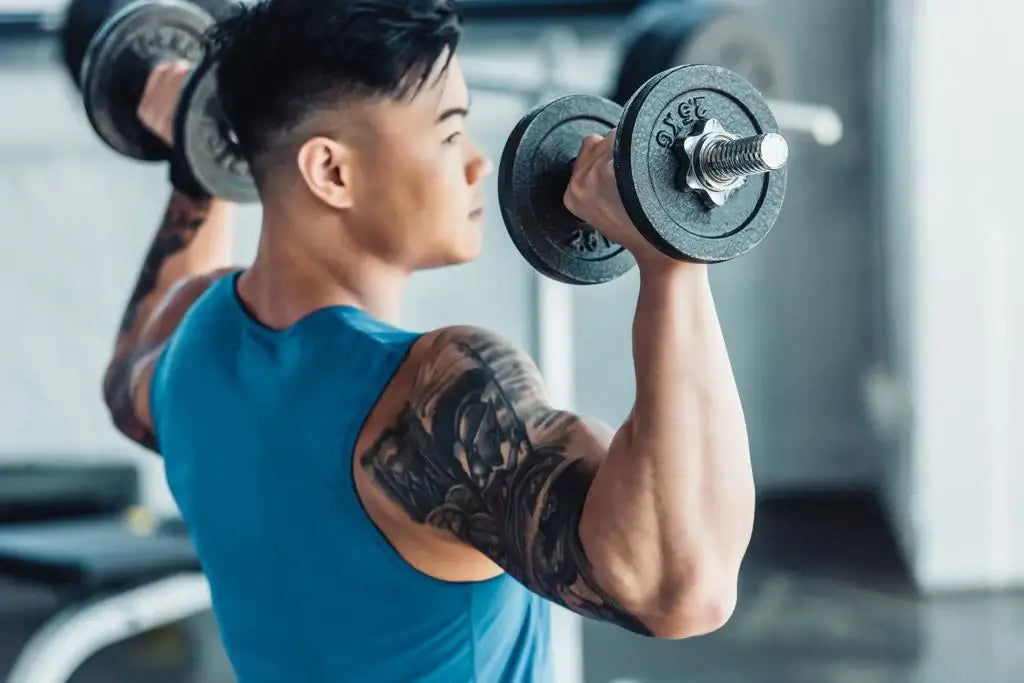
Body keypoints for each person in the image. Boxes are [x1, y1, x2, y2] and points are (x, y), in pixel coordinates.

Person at [101, 0, 755, 680]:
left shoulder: (190, 341)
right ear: (330, 172)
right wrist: (671, 259)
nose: (476, 163)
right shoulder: (434, 393)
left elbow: (124, 381)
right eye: (448, 134)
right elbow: (685, 586)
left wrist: (192, 164)